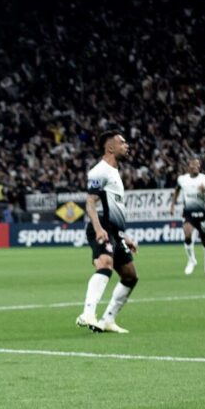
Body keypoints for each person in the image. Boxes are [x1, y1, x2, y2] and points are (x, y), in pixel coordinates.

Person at [77, 130, 139, 334]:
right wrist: (97, 228)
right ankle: (88, 313)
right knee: (105, 263)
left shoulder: (114, 172)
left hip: (115, 231)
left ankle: (108, 320)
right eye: (123, 142)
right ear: (110, 148)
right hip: (102, 226)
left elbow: (114, 208)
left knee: (130, 276)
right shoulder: (99, 171)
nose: (127, 145)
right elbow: (90, 201)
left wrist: (123, 236)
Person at [169, 158, 205, 275]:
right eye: (194, 165)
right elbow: (176, 191)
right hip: (188, 213)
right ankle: (191, 260)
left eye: (198, 165)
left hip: (202, 214)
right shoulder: (182, 179)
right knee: (187, 235)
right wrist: (172, 205)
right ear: (189, 167)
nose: (197, 166)